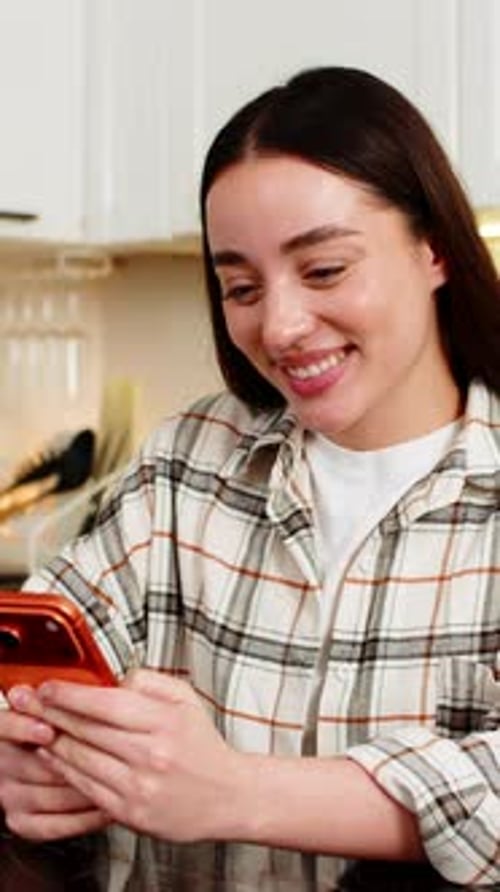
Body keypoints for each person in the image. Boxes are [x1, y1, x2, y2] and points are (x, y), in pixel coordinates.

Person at [0, 67, 498, 887]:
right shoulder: (190, 461)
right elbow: (37, 656)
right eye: (239, 286)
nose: (281, 324)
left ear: (435, 246)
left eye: (326, 270)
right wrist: (18, 757)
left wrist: (239, 793)